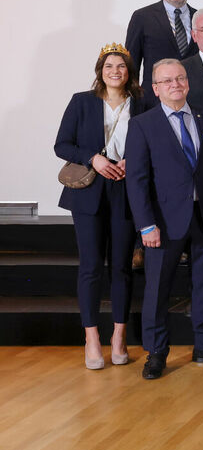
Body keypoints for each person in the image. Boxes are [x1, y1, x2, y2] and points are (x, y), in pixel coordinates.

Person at [125, 59, 203, 379]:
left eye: (180, 78)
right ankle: (157, 352)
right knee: (158, 289)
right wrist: (146, 225)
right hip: (162, 222)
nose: (175, 84)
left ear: (187, 83)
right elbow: (136, 180)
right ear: (156, 88)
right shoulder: (143, 124)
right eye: (167, 81)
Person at [55, 43, 143, 369]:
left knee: (121, 267)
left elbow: (152, 142)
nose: (115, 72)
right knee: (91, 266)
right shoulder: (82, 102)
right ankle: (92, 338)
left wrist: (132, 163)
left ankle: (118, 336)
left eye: (121, 66)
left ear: (129, 72)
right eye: (109, 67)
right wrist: (93, 158)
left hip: (125, 190)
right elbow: (61, 144)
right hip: (89, 192)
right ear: (100, 71)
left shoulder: (143, 102)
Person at [125, 0, 198, 92]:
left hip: (194, 95)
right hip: (154, 98)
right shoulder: (142, 17)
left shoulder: (200, 18)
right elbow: (132, 62)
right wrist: (133, 99)